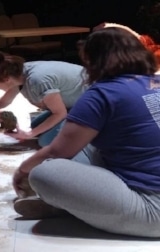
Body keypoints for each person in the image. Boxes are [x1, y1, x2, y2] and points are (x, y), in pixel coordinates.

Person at [12, 27, 160, 237]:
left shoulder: (103, 92)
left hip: (152, 208)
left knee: (43, 173)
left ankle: (72, 207)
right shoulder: (156, 82)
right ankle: (78, 205)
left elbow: (55, 153)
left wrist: (23, 171)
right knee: (81, 140)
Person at [0, 50, 86, 147]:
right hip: (71, 103)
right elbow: (3, 102)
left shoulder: (37, 80)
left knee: (45, 141)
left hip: (91, 103)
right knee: (36, 126)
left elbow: (60, 113)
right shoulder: (17, 74)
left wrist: (30, 134)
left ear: (5, 79)